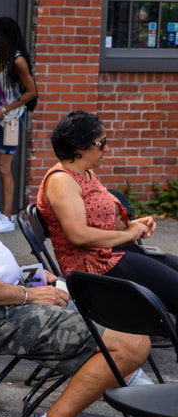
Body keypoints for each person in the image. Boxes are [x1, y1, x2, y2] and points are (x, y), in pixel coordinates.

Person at [0, 220, 152, 417]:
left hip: (7, 297)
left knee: (112, 355)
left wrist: (26, 276)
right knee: (129, 344)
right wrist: (28, 295)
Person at [37, 110, 178, 316]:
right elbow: (79, 235)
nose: (107, 148)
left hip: (110, 253)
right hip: (94, 266)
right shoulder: (62, 181)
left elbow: (98, 221)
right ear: (79, 147)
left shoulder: (85, 173)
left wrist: (134, 226)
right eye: (101, 143)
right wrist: (128, 235)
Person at [0, 16, 37, 233]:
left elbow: (31, 92)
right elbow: (3, 87)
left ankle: (7, 217)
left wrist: (6, 109)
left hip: (12, 121)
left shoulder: (17, 60)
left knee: (4, 167)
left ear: (7, 37)